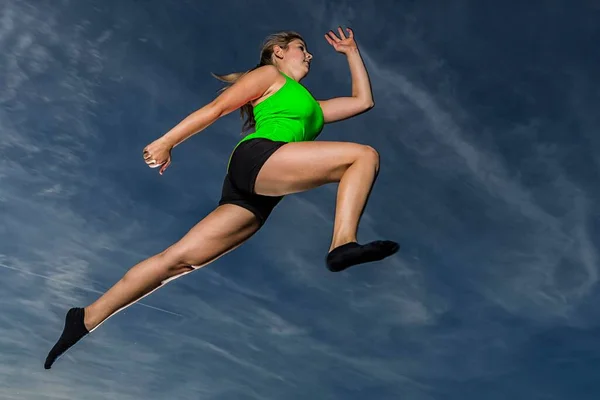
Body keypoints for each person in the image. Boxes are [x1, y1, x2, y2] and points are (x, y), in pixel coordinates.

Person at [44, 27, 399, 370]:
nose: (309, 55)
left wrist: (352, 52)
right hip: (258, 159)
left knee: (177, 261)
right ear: (279, 52)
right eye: (301, 47)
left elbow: (362, 101)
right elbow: (216, 109)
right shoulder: (268, 77)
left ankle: (85, 318)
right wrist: (168, 141)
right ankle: (342, 244)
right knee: (363, 155)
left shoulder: (314, 107)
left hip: (258, 194)